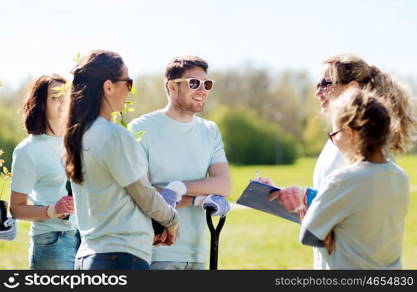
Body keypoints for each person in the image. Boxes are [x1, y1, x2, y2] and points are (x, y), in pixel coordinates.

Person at [262, 54, 415, 268]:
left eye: (326, 83)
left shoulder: (361, 149)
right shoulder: (345, 144)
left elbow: (359, 203)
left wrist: (303, 200)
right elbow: (340, 201)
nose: (318, 92)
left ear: (352, 87)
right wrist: (292, 197)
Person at [64, 50, 179, 270]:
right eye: (127, 82)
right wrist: (171, 221)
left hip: (87, 257)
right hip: (120, 258)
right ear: (108, 87)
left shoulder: (77, 136)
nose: (129, 89)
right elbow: (143, 193)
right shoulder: (114, 135)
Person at [129, 55, 231, 270]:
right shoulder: (141, 128)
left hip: (197, 252)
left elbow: (223, 185)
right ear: (172, 87)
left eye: (207, 84)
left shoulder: (209, 130)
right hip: (155, 251)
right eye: (194, 83)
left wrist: (178, 189)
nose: (202, 90)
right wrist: (199, 199)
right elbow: (142, 193)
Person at [300, 88, 409, 269]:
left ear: (350, 133)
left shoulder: (344, 180)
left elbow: (309, 234)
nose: (334, 142)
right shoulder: (400, 177)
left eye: (334, 135)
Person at [10, 74, 80, 269]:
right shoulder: (28, 150)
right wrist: (53, 210)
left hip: (86, 239)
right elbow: (16, 208)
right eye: (55, 97)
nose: (62, 102)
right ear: (40, 103)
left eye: (66, 96)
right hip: (52, 242)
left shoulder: (78, 143)